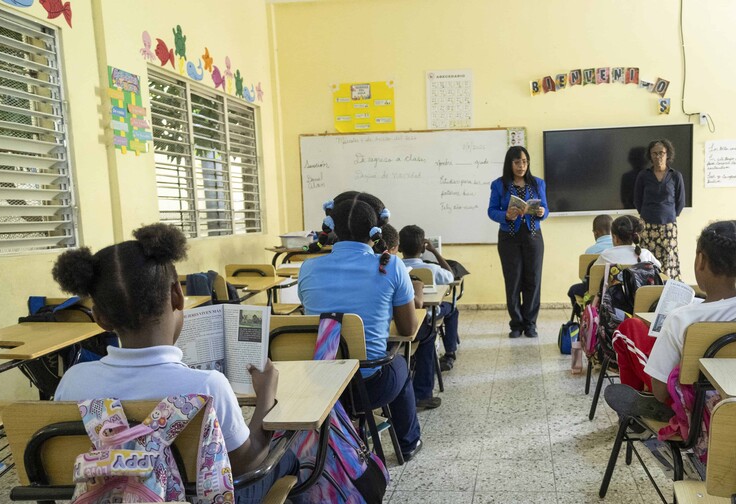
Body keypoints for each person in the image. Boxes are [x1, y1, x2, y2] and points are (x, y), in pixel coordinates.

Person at [51, 223, 298, 504]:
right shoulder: (205, 386)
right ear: (177, 297)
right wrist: (266, 393)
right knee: (287, 457)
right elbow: (246, 465)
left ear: (100, 319)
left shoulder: (73, 380)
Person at [605, 220, 736, 421]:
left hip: (696, 411)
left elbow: (661, 391)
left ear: (701, 260)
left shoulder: (683, 317)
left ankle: (633, 413)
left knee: (629, 328)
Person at [297, 192, 425, 461]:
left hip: (319, 385)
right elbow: (408, 329)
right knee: (400, 362)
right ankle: (407, 442)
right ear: (377, 229)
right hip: (370, 386)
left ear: (331, 228)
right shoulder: (391, 266)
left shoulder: (308, 268)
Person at [487, 145, 549, 338]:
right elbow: (491, 211)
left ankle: (530, 323)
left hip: (533, 236)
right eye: (516, 162)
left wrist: (541, 212)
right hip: (509, 237)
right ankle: (516, 324)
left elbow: (546, 209)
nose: (521, 166)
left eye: (524, 161)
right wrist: (505, 215)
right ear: (509, 164)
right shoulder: (499, 184)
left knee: (533, 279)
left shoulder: (537, 183)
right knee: (513, 281)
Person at [399, 224, 460, 383]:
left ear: (399, 247)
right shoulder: (431, 268)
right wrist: (434, 251)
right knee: (452, 309)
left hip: (398, 319)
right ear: (423, 247)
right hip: (427, 315)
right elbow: (451, 276)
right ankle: (449, 353)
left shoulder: (395, 268)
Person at [634, 139, 685, 280]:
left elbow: (680, 202)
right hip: (647, 227)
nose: (658, 157)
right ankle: (648, 291)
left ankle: (668, 293)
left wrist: (668, 215)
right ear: (650, 156)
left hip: (668, 226)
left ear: (667, 154)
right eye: (654, 153)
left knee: (668, 260)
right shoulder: (643, 176)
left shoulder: (675, 176)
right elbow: (637, 200)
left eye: (661, 153)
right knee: (648, 261)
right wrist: (648, 215)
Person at [566, 214, 614, 315]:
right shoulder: (618, 247)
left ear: (596, 233)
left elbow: (584, 279)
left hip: (595, 293)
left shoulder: (590, 251)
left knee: (573, 290)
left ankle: (585, 318)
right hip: (617, 291)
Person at [594, 215, 661, 268]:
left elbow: (593, 274)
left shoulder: (606, 255)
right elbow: (659, 270)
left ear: (615, 238)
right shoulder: (646, 254)